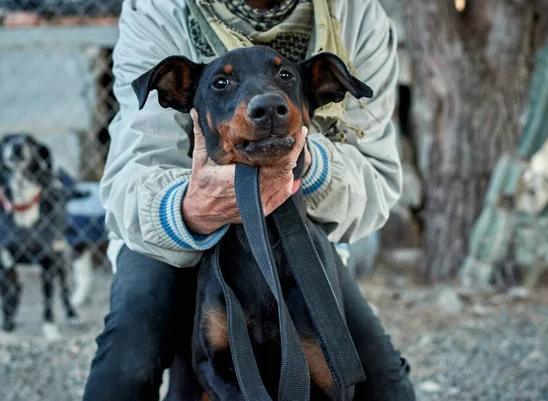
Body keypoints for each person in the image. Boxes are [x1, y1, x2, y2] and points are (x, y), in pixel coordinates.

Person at [83, 0, 416, 400]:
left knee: (387, 385)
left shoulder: (357, 14)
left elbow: (377, 182)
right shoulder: (158, 10)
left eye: (283, 84)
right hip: (168, 227)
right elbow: (133, 171)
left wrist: (309, 163)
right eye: (222, 84)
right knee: (127, 361)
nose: (266, 105)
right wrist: (191, 209)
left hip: (303, 224)